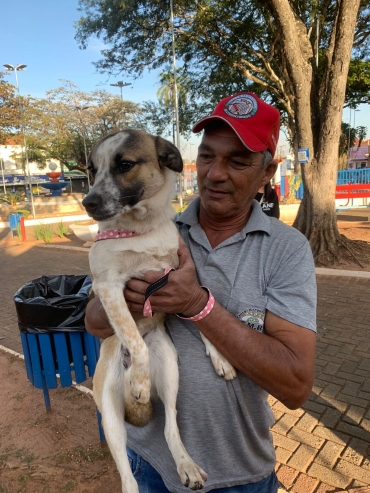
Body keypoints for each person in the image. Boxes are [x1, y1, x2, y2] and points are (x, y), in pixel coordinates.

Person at [85, 92, 317, 493]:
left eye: (238, 161)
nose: (215, 173)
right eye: (207, 156)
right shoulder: (153, 227)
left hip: (240, 473)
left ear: (267, 173)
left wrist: (197, 304)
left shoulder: (286, 249)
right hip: (152, 464)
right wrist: (125, 298)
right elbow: (92, 321)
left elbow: (296, 385)